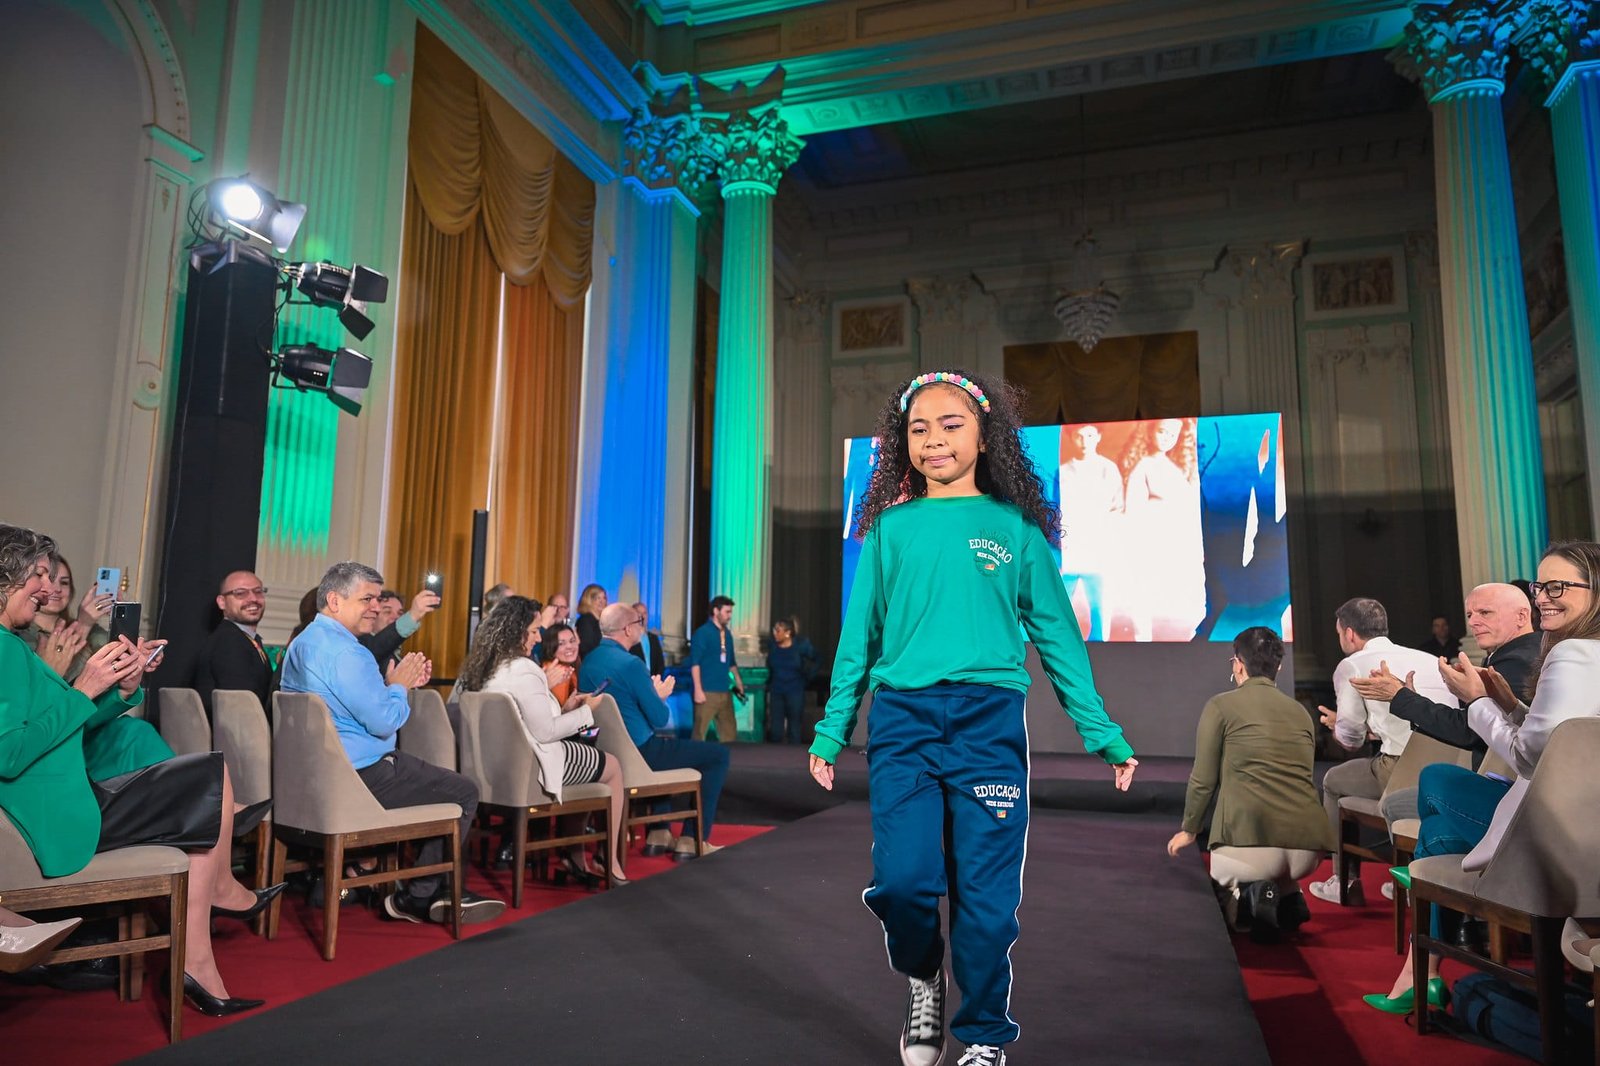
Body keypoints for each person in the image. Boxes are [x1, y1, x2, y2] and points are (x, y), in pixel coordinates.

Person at [808, 369, 1137, 1066]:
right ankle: (924, 975)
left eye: (951, 425)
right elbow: (858, 636)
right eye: (918, 429)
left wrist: (1101, 732)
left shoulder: (1013, 530)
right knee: (903, 882)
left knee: (987, 907)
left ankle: (984, 1036)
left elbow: (1057, 639)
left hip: (988, 728)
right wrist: (833, 726)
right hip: (903, 725)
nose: (934, 441)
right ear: (903, 444)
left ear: (986, 437)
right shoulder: (889, 530)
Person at [0, 523, 271, 1016]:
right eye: (34, 576)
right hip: (53, 818)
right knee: (207, 781)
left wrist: (120, 689)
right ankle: (204, 940)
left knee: (205, 779)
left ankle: (201, 947)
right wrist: (84, 688)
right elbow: (8, 753)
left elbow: (67, 729)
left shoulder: (12, 645)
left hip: (66, 797)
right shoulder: (3, 649)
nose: (46, 588)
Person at [1362, 541, 1600, 1013]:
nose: (1543, 598)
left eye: (1557, 587)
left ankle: (1423, 952)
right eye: (1539, 587)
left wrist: (1478, 701)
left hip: (1558, 831)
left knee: (1437, 784)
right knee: (1438, 814)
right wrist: (1508, 704)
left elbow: (1529, 756)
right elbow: (1563, 739)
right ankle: (1424, 952)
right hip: (1582, 817)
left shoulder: (1567, 654)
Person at [279, 561, 504, 925]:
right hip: (360, 778)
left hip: (313, 778)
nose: (374, 607)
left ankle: (433, 889)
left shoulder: (303, 642)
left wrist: (391, 686)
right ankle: (419, 896)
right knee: (463, 791)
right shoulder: (349, 653)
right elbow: (386, 722)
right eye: (367, 599)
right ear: (335, 601)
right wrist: (399, 686)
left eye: (378, 599)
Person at [1167, 627, 1333, 940]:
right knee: (1275, 866)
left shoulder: (1220, 706)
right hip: (1310, 849)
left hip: (1249, 844)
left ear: (1238, 664)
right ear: (1279, 667)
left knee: (1222, 880)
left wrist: (1190, 830)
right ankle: (1289, 895)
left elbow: (1203, 779)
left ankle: (1248, 901)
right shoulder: (1300, 712)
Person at [457, 597, 626, 884]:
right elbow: (545, 733)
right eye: (534, 630)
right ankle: (608, 861)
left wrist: (564, 709)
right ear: (516, 631)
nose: (538, 637)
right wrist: (587, 711)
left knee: (591, 768)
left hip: (488, 768)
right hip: (534, 766)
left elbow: (524, 720)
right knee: (612, 767)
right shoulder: (525, 669)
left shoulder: (483, 668)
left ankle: (575, 856)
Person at [1308, 597, 1453, 906]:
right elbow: (1417, 720)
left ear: (1348, 633)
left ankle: (1343, 882)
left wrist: (1339, 725)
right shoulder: (1427, 658)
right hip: (1453, 764)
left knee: (1332, 780)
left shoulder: (1353, 665)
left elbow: (1350, 739)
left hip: (1401, 766)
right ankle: (1404, 877)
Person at [579, 603, 730, 863]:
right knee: (718, 755)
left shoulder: (589, 660)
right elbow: (659, 719)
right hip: (639, 753)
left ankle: (658, 833)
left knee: (666, 750)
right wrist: (660, 696)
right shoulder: (631, 664)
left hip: (603, 753)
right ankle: (692, 839)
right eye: (639, 622)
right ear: (627, 629)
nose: (642, 627)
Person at [1118, 417, 1205, 641]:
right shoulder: (1144, 466)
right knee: (1144, 593)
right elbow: (1133, 510)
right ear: (1151, 433)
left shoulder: (1176, 468)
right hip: (1151, 541)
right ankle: (1142, 639)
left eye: (1172, 435)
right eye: (1162, 432)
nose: (1166, 438)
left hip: (1176, 541)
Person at [1057, 423, 1123, 642]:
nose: (1085, 441)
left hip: (1098, 551)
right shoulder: (1063, 471)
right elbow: (1054, 510)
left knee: (1099, 610)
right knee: (1060, 610)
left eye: (1090, 435)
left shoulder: (1108, 469)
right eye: (1079, 436)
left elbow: (1117, 509)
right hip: (1069, 552)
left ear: (1098, 437)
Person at [192, 569, 274, 717]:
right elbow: (242, 710)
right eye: (240, 593)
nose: (253, 599)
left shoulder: (242, 639)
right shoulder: (229, 643)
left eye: (258, 591)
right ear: (222, 602)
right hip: (236, 736)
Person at [21, 555, 112, 683]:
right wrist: (83, 626)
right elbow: (61, 685)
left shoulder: (93, 631)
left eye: (64, 583)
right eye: (50, 580)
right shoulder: (19, 634)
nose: (57, 589)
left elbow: (119, 661)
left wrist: (121, 614)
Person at [689, 595, 744, 744]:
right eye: (727, 612)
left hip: (724, 691)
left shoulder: (727, 634)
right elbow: (695, 663)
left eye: (730, 612)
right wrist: (698, 690)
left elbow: (731, 662)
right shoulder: (702, 633)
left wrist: (738, 682)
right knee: (699, 733)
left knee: (729, 733)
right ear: (716, 611)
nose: (729, 616)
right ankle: (696, 763)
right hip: (707, 692)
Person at [361, 586, 440, 670]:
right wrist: (413, 615)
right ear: (372, 615)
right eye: (387, 612)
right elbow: (377, 646)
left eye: (400, 613)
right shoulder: (361, 644)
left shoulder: (397, 651)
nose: (395, 617)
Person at [765, 618, 814, 744]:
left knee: (794, 726)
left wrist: (808, 677)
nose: (775, 633)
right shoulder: (773, 647)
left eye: (778, 630)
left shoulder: (800, 647)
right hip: (777, 689)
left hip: (795, 689)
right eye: (774, 630)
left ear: (787, 633)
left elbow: (817, 659)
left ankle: (793, 757)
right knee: (776, 727)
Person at [541, 623, 581, 704]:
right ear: (551, 647)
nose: (569, 646)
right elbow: (559, 712)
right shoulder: (557, 672)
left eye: (572, 641)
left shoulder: (570, 666)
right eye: (561, 643)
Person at [630, 601, 666, 676]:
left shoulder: (653, 638)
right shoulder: (629, 638)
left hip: (652, 682)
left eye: (645, 613)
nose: (642, 616)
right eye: (639, 612)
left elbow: (660, 664)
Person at [574, 584, 607, 659]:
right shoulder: (585, 621)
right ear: (588, 600)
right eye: (597, 598)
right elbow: (587, 648)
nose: (602, 602)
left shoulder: (602, 621)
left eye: (604, 598)